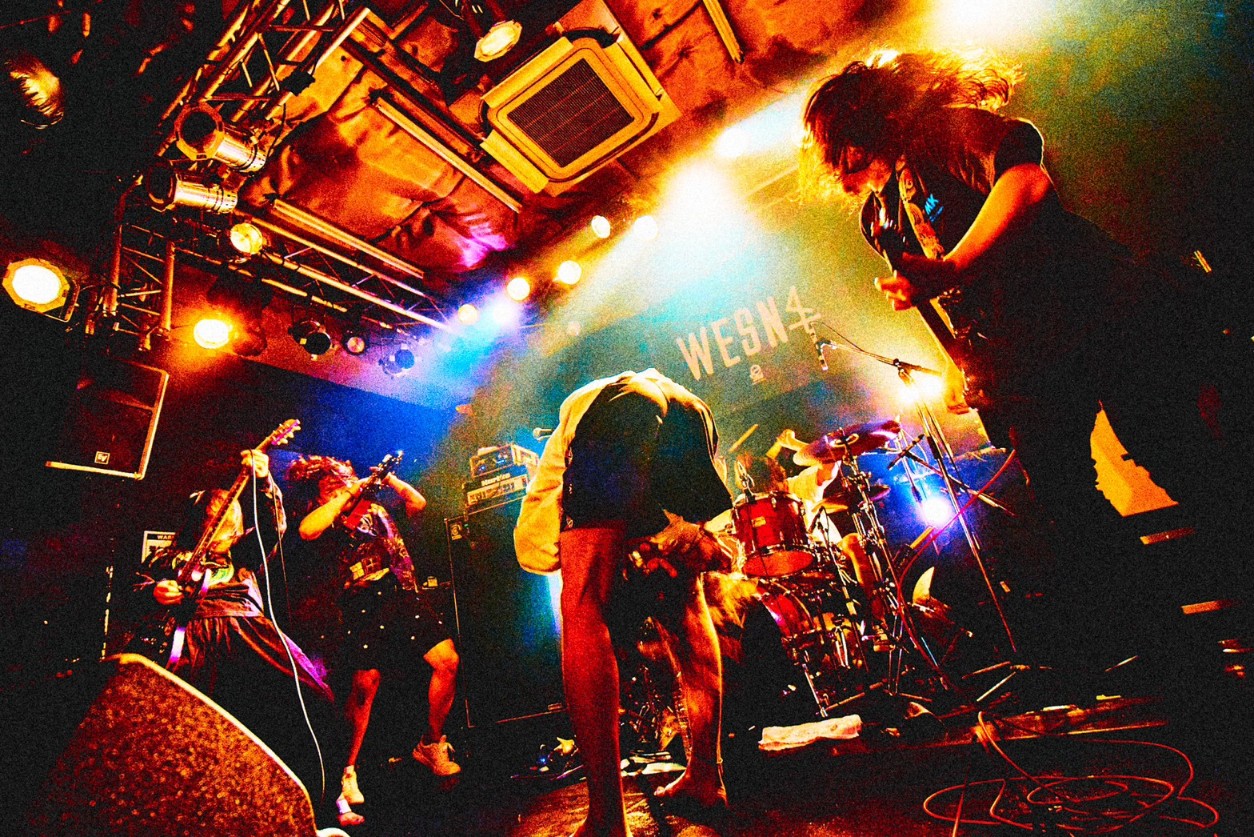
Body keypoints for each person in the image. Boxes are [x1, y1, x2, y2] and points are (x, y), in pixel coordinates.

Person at [799, 49, 1252, 680]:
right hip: (1028, 352)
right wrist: (958, 360)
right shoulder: (879, 218)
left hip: (1098, 307)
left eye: (832, 143)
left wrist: (955, 264)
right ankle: (1177, 655)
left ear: (858, 130)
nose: (829, 162)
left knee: (1176, 454)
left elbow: (1027, 179)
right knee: (1063, 496)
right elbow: (939, 298)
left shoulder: (939, 133)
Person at [515, 369, 734, 837]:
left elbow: (538, 551)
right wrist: (669, 536)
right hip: (692, 411)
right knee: (686, 603)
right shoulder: (601, 412)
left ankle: (606, 820)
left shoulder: (546, 487)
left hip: (623, 404)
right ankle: (705, 778)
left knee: (581, 603)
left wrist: (615, 553)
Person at [132, 447, 342, 826]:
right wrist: (155, 591)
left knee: (313, 697)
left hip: (248, 634)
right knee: (189, 728)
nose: (223, 531)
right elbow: (135, 590)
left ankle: (317, 804)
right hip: (193, 640)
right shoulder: (167, 559)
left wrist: (263, 480)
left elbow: (272, 527)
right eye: (215, 521)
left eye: (229, 522)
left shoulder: (243, 554)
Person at [289, 454, 461, 828]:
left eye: (345, 479)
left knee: (447, 661)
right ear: (318, 493)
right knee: (365, 684)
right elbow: (306, 530)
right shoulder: (327, 516)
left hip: (399, 591)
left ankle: (431, 744)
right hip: (359, 600)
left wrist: (390, 480)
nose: (343, 486)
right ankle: (346, 771)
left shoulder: (374, 507)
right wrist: (346, 493)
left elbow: (417, 503)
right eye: (332, 484)